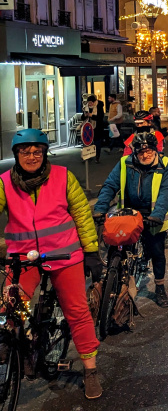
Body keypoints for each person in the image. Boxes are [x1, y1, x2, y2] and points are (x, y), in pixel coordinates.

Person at [0, 129, 103, 399]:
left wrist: (91, 252)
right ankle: (20, 339)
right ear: (16, 155)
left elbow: (81, 214)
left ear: (45, 153)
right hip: (22, 258)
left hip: (64, 256)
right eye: (25, 152)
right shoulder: (4, 183)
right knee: (8, 305)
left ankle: (90, 370)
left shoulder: (62, 177)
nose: (31, 156)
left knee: (77, 312)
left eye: (37, 151)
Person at [95, 133, 168, 307]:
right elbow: (110, 185)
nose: (145, 155)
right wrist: (100, 208)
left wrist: (158, 215)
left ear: (155, 150)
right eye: (141, 152)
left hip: (153, 215)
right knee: (116, 247)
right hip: (129, 213)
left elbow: (166, 192)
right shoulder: (125, 163)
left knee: (157, 252)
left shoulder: (165, 164)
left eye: (148, 151)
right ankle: (112, 281)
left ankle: (160, 288)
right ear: (134, 152)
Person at [83, 94, 107, 163]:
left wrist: (91, 115)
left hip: (97, 127)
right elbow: (83, 117)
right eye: (88, 102)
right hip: (88, 127)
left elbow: (100, 117)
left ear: (94, 102)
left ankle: (97, 157)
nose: (89, 104)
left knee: (97, 143)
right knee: (88, 142)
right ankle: (88, 156)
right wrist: (85, 115)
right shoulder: (87, 107)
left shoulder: (99, 107)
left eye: (90, 102)